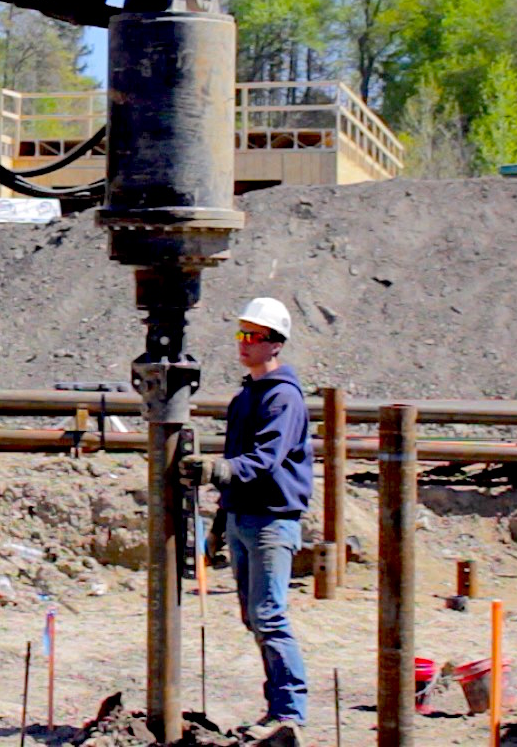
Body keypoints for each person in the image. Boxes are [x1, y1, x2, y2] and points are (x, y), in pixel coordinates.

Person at [182, 296, 311, 743]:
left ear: (275, 344)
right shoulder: (247, 396)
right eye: (240, 334)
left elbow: (266, 459)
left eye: (253, 336)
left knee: (269, 615)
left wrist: (221, 470)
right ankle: (276, 707)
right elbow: (239, 459)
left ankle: (289, 712)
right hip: (242, 517)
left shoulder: (283, 398)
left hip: (272, 520)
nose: (243, 343)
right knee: (253, 617)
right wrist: (220, 520)